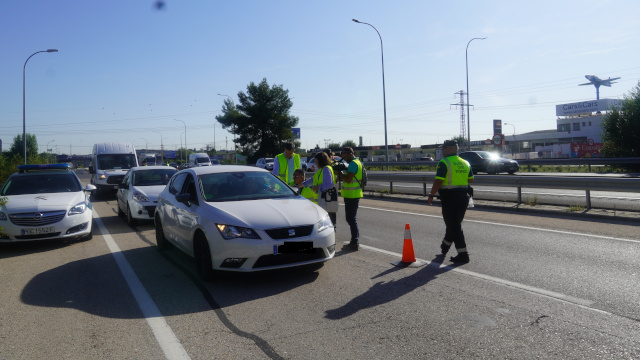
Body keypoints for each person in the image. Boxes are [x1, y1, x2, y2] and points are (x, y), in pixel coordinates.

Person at [427, 139, 474, 263]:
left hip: (450, 197)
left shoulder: (444, 162)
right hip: (463, 197)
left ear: (451, 149)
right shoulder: (465, 162)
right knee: (454, 224)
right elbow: (470, 180)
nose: (442, 151)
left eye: (444, 148)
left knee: (454, 225)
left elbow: (438, 181)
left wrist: (431, 195)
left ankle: (463, 254)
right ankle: (445, 246)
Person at [300, 152, 336, 226]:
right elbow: (313, 179)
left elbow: (329, 184)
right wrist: (303, 184)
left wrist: (318, 187)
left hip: (327, 199)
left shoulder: (326, 169)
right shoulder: (321, 170)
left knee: (329, 222)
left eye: (316, 161)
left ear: (321, 161)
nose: (315, 163)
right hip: (325, 199)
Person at [338, 147, 363, 251]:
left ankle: (355, 242)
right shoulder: (357, 162)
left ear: (349, 154)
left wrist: (340, 174)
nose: (343, 158)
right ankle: (354, 241)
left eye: (344, 156)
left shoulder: (353, 163)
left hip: (352, 195)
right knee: (351, 218)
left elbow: (348, 180)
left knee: (351, 219)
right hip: (352, 194)